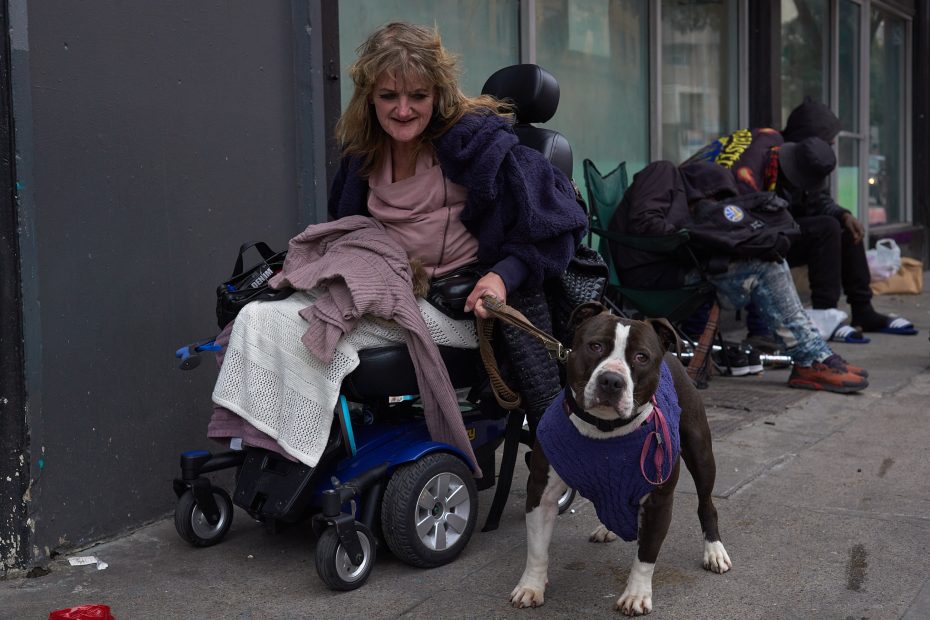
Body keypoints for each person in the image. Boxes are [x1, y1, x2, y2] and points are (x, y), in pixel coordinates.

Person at [209, 22, 587, 468]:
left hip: (454, 306)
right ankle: (276, 449)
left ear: (438, 94)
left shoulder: (478, 145)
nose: (403, 110)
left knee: (301, 330)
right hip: (384, 291)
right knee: (256, 313)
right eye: (389, 96)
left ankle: (298, 451)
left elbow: (560, 222)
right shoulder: (362, 156)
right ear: (369, 97)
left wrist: (501, 278)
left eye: (418, 96)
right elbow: (347, 228)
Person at [608, 159, 869, 394]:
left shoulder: (683, 200)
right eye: (712, 198)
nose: (711, 206)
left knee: (771, 257)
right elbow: (644, 223)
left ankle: (815, 354)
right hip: (651, 276)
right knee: (763, 269)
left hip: (673, 269)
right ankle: (810, 358)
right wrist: (699, 234)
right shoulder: (663, 172)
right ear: (700, 185)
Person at [684, 101, 917, 346]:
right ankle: (824, 314)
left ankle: (862, 310)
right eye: (828, 139)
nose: (834, 144)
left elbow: (812, 199)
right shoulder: (750, 176)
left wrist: (842, 214)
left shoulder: (776, 145)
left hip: (738, 222)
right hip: (714, 232)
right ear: (804, 139)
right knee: (823, 229)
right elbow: (743, 235)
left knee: (841, 225)